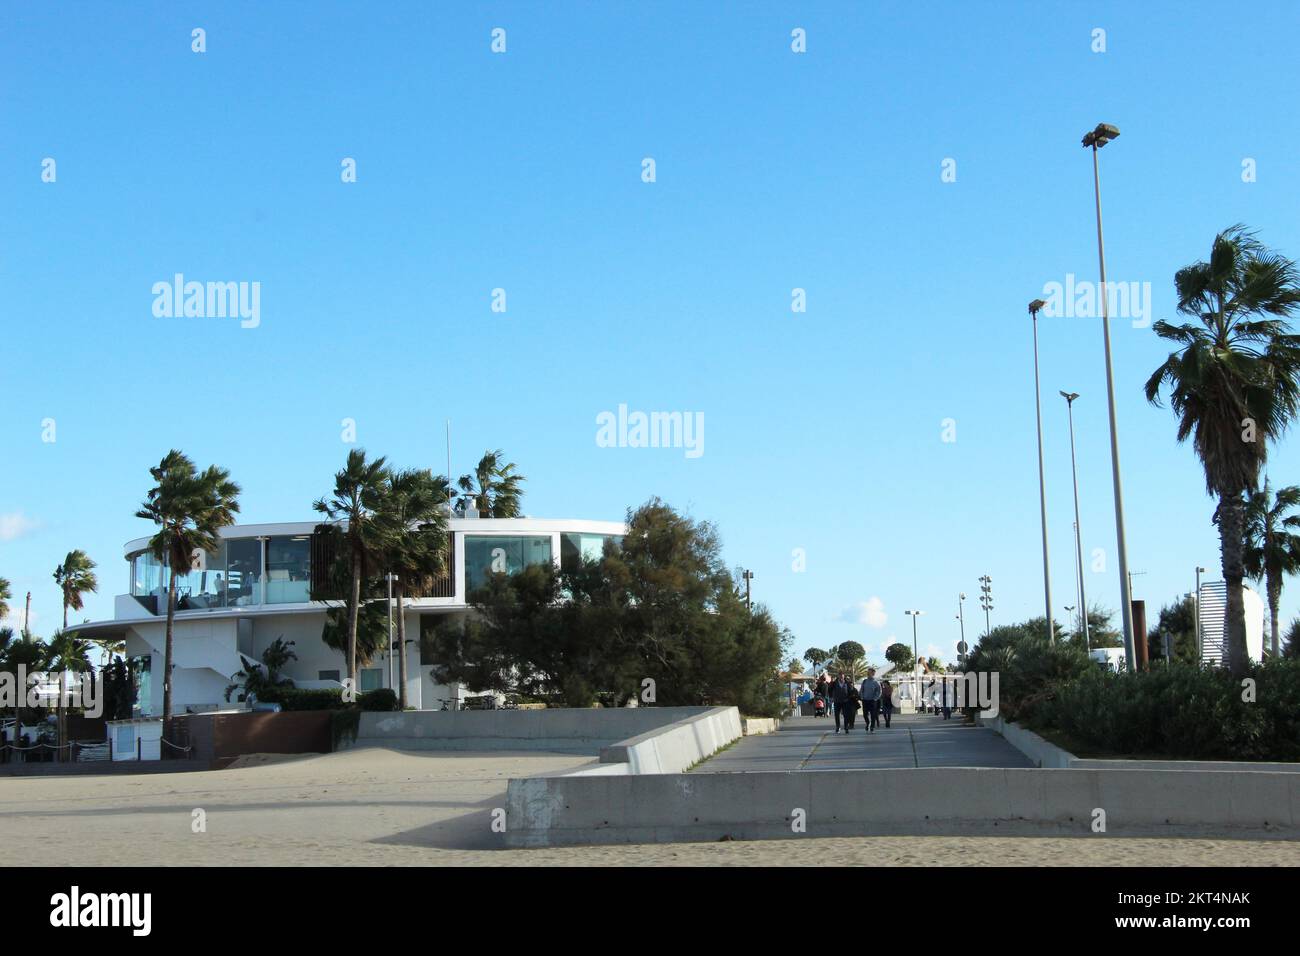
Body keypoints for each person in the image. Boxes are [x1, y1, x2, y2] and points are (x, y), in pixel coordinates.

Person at [859, 668, 882, 732]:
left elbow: (879, 691)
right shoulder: (864, 681)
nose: (868, 674)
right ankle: (868, 723)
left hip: (872, 701)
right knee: (865, 714)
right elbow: (861, 690)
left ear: (873, 673)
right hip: (865, 700)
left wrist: (875, 698)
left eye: (869, 673)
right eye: (867, 673)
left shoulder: (876, 682)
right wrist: (861, 696)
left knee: (873, 714)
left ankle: (872, 727)